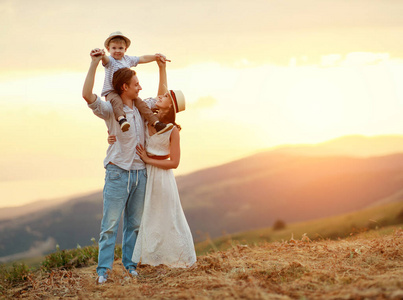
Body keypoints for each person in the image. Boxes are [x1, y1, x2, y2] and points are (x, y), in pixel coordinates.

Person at [82, 49, 165, 284]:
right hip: (117, 172)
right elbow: (87, 95)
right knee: (109, 226)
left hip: (140, 173)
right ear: (124, 88)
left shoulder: (142, 108)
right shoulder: (110, 111)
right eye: (136, 84)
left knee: (134, 225)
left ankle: (130, 266)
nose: (140, 88)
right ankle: (103, 272)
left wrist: (161, 67)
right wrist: (94, 64)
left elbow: (161, 96)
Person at [108, 59, 197, 268]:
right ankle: (150, 258)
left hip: (161, 177)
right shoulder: (149, 117)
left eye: (166, 97)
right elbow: (161, 94)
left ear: (170, 106)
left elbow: (174, 163)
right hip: (145, 175)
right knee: (148, 217)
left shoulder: (172, 129)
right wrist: (162, 68)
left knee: (166, 217)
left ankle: (177, 256)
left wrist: (148, 159)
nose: (160, 96)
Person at [96, 31, 172, 134]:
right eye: (114, 48)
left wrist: (155, 57)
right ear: (108, 49)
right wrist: (101, 54)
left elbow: (142, 58)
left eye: (120, 48)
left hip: (127, 92)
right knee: (117, 102)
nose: (117, 51)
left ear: (125, 49)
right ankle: (122, 119)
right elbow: (104, 59)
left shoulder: (127, 59)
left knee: (142, 105)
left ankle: (156, 123)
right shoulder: (110, 61)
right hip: (112, 91)